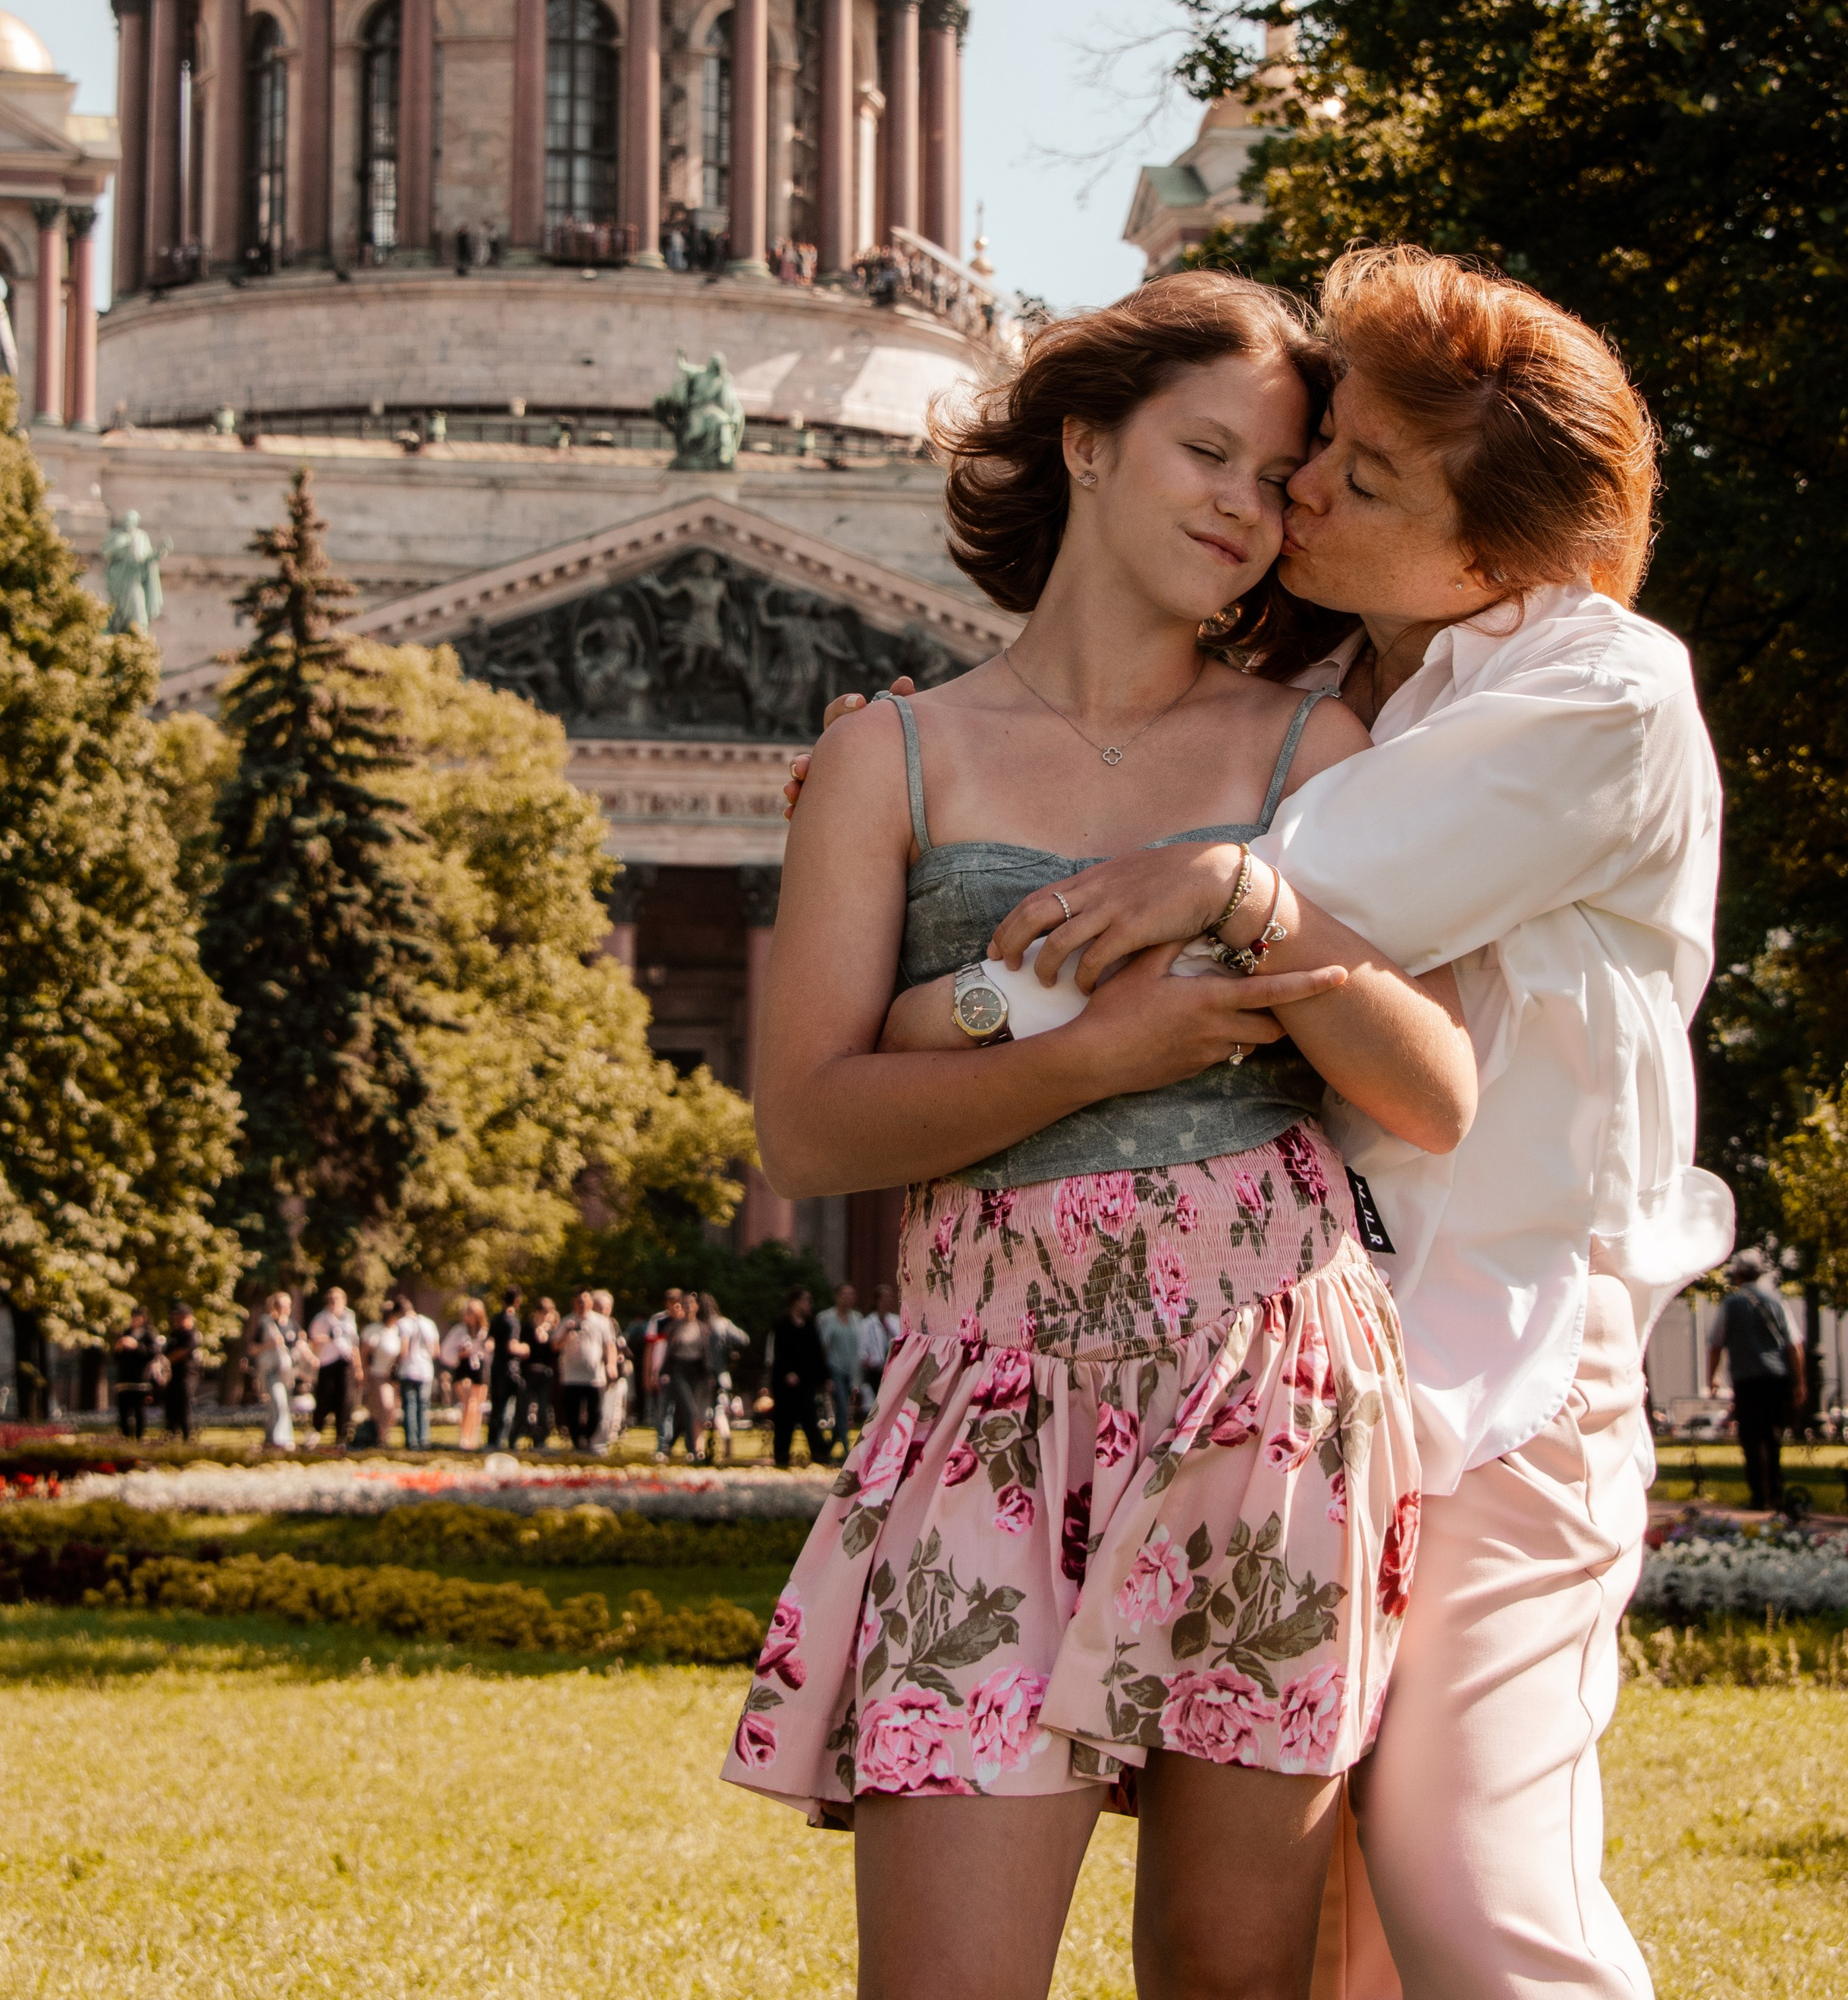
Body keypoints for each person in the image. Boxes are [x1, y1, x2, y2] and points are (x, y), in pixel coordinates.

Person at [813, 250, 1726, 2000]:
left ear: (1490, 555)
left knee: (1469, 1886)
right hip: (1333, 1372)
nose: (1297, 487)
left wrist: (925, 930)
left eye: (1355, 475)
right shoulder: (1375, 692)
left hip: (1513, 1362)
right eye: (1314, 447)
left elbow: (1192, 911)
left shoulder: (1576, 700)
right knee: (1335, 1935)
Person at [729, 275, 1467, 2000]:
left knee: (1228, 1979)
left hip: (1265, 1388)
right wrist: (1090, 1045)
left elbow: (1427, 1086)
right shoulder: (891, 755)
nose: (1241, 502)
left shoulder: (1312, 742)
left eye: (1275, 476)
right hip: (991, 1396)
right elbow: (811, 1120)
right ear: (1083, 440)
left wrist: (1248, 892)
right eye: (1202, 449)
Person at [1707, 1253, 1804, 1511]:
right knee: (1773, 1436)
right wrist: (1800, 1382)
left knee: (1751, 1437)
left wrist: (1712, 1377)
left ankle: (1759, 1496)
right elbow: (1794, 1345)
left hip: (1746, 1377)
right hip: (1776, 1376)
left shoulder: (1731, 1304)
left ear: (1737, 1275)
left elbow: (1716, 1343)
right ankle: (1776, 1492)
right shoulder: (1777, 1302)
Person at [763, 1287, 833, 1471]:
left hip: (806, 1381)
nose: (809, 1304)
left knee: (810, 1419)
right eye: (806, 1300)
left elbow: (817, 1354)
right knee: (784, 1421)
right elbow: (780, 1353)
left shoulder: (810, 1325)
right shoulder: (783, 1325)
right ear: (796, 1302)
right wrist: (787, 1372)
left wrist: (824, 1377)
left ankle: (820, 1455)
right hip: (786, 1384)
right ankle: (781, 1458)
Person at [661, 1292, 717, 1464]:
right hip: (679, 1369)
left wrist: (710, 1374)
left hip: (697, 1371)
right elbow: (668, 1353)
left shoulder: (703, 1328)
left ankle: (668, 1445)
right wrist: (664, 1372)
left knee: (686, 1411)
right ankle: (693, 1449)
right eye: (683, 1305)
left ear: (696, 1307)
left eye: (690, 1304)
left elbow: (708, 1353)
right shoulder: (674, 1328)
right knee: (689, 1408)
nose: (687, 1308)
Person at [555, 1287, 613, 1451]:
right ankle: (577, 1441)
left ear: (590, 1302)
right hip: (571, 1376)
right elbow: (555, 1346)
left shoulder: (602, 1322)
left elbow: (609, 1345)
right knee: (572, 1412)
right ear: (574, 1303)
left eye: (585, 1301)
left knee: (595, 1412)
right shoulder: (567, 1322)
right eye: (578, 1302)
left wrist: (610, 1364)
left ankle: (588, 1438)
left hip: (594, 1376)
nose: (581, 1305)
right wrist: (566, 1333)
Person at [701, 1292, 750, 1463]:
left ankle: (701, 1446)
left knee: (702, 1410)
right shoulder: (723, 1323)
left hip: (703, 1375)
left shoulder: (700, 1326)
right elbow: (744, 1339)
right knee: (720, 1410)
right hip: (722, 1373)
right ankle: (725, 1436)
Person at [816, 1280, 865, 1447]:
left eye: (852, 1295)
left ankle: (831, 1445)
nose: (848, 1299)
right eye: (845, 1295)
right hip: (834, 1367)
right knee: (843, 1406)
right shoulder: (826, 1318)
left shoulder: (858, 1319)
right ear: (837, 1297)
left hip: (852, 1368)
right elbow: (822, 1346)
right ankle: (845, 1445)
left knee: (845, 1407)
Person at [439, 1297, 492, 1451]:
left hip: (480, 1369)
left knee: (477, 1406)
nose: (468, 1315)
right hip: (464, 1368)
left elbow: (490, 1353)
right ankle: (464, 1438)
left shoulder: (485, 1332)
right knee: (469, 1403)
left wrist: (486, 1347)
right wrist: (460, 1354)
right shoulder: (459, 1331)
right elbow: (445, 1352)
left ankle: (472, 1438)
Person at [249, 1293, 300, 1452]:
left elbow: (299, 1346)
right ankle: (281, 1440)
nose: (285, 1309)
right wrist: (268, 1345)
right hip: (270, 1369)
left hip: (286, 1371)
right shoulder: (266, 1325)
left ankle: (270, 1438)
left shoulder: (292, 1326)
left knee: (281, 1405)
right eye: (282, 1305)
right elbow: (252, 1349)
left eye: (288, 1305)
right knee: (279, 1402)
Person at [308, 1287, 359, 1446]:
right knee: (324, 1398)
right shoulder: (321, 1318)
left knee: (345, 1400)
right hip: (328, 1362)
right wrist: (327, 1339)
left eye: (337, 1299)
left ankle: (341, 1437)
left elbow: (354, 1343)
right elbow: (313, 1342)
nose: (334, 1302)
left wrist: (358, 1366)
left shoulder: (349, 1318)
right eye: (331, 1299)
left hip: (345, 1362)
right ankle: (316, 1431)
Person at [392, 1292, 441, 1449]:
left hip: (409, 1369)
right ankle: (424, 1439)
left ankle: (412, 1441)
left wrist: (395, 1364)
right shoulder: (429, 1323)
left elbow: (404, 1350)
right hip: (426, 1370)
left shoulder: (403, 1323)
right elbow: (435, 1352)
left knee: (410, 1406)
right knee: (423, 1405)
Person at [642, 1286, 684, 1455]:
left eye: (677, 1302)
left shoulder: (687, 1321)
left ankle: (673, 1442)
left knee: (681, 1411)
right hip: (661, 1373)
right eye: (670, 1302)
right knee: (663, 1411)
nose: (674, 1306)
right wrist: (648, 1374)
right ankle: (663, 1445)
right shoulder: (658, 1321)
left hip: (682, 1371)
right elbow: (649, 1350)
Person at [358, 1300, 403, 1449]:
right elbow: (364, 1354)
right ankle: (381, 1438)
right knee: (383, 1406)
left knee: (392, 1408)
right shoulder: (374, 1330)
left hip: (391, 1375)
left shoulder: (397, 1331)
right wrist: (364, 1373)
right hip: (376, 1373)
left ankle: (382, 1436)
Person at [112, 1310, 161, 1442]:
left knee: (139, 1411)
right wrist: (118, 1348)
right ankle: (126, 1437)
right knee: (123, 1413)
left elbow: (153, 1353)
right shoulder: (126, 1333)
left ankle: (139, 1438)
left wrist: (136, 1346)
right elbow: (116, 1357)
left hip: (141, 1380)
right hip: (125, 1380)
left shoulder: (148, 1335)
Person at [487, 1288, 526, 1451]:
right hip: (510, 1369)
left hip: (496, 1367)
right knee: (508, 1407)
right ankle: (503, 1441)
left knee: (496, 1406)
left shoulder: (496, 1319)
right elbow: (512, 1347)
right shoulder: (513, 1321)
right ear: (518, 1301)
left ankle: (492, 1440)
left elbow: (489, 1343)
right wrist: (525, 1348)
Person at [520, 1296, 561, 1449]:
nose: (546, 1316)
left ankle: (541, 1439)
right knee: (526, 1407)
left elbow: (554, 1354)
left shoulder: (554, 1331)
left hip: (546, 1374)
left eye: (549, 1312)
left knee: (544, 1409)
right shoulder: (528, 1328)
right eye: (543, 1312)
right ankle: (525, 1434)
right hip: (529, 1373)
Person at [595, 1290, 631, 1450]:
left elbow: (621, 1347)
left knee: (613, 1409)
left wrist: (620, 1360)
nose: (603, 1310)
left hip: (613, 1375)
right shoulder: (590, 1323)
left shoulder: (613, 1324)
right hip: (594, 1374)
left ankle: (611, 1436)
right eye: (599, 1307)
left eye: (606, 1307)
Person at [162, 1303, 201, 1441]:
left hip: (187, 1375)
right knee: (171, 1406)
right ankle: (170, 1434)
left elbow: (182, 1352)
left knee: (184, 1405)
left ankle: (187, 1436)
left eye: (181, 1317)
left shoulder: (191, 1334)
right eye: (176, 1317)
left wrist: (166, 1361)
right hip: (173, 1375)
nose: (178, 1320)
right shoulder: (173, 1335)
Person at [858, 1283, 899, 1413]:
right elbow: (863, 1350)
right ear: (877, 1300)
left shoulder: (895, 1321)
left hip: (894, 1368)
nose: (888, 1301)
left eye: (890, 1298)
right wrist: (875, 1364)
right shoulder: (867, 1324)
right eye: (885, 1298)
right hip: (877, 1371)